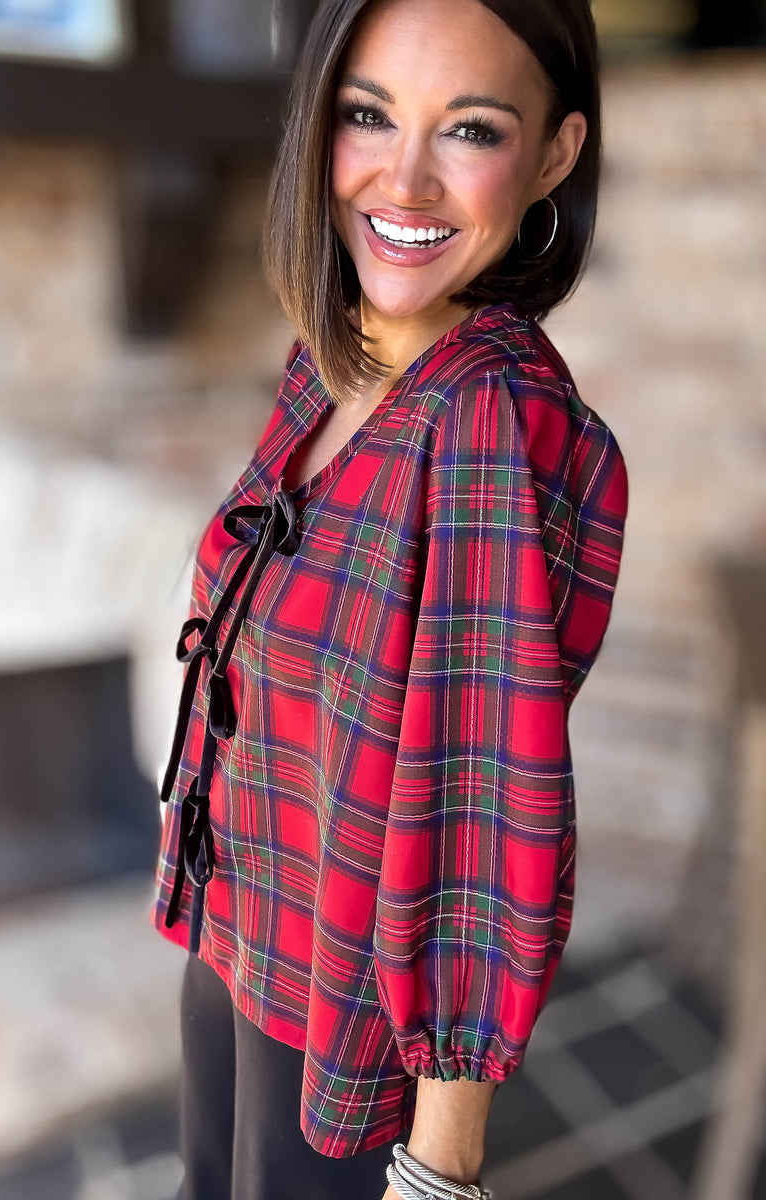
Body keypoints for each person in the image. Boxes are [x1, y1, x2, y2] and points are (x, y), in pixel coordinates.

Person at [149, 1, 629, 1197]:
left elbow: (483, 821)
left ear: (554, 156)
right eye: (368, 114)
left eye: (467, 129)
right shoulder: (338, 351)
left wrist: (436, 1170)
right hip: (238, 952)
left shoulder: (487, 422)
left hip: (342, 1048)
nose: (400, 179)